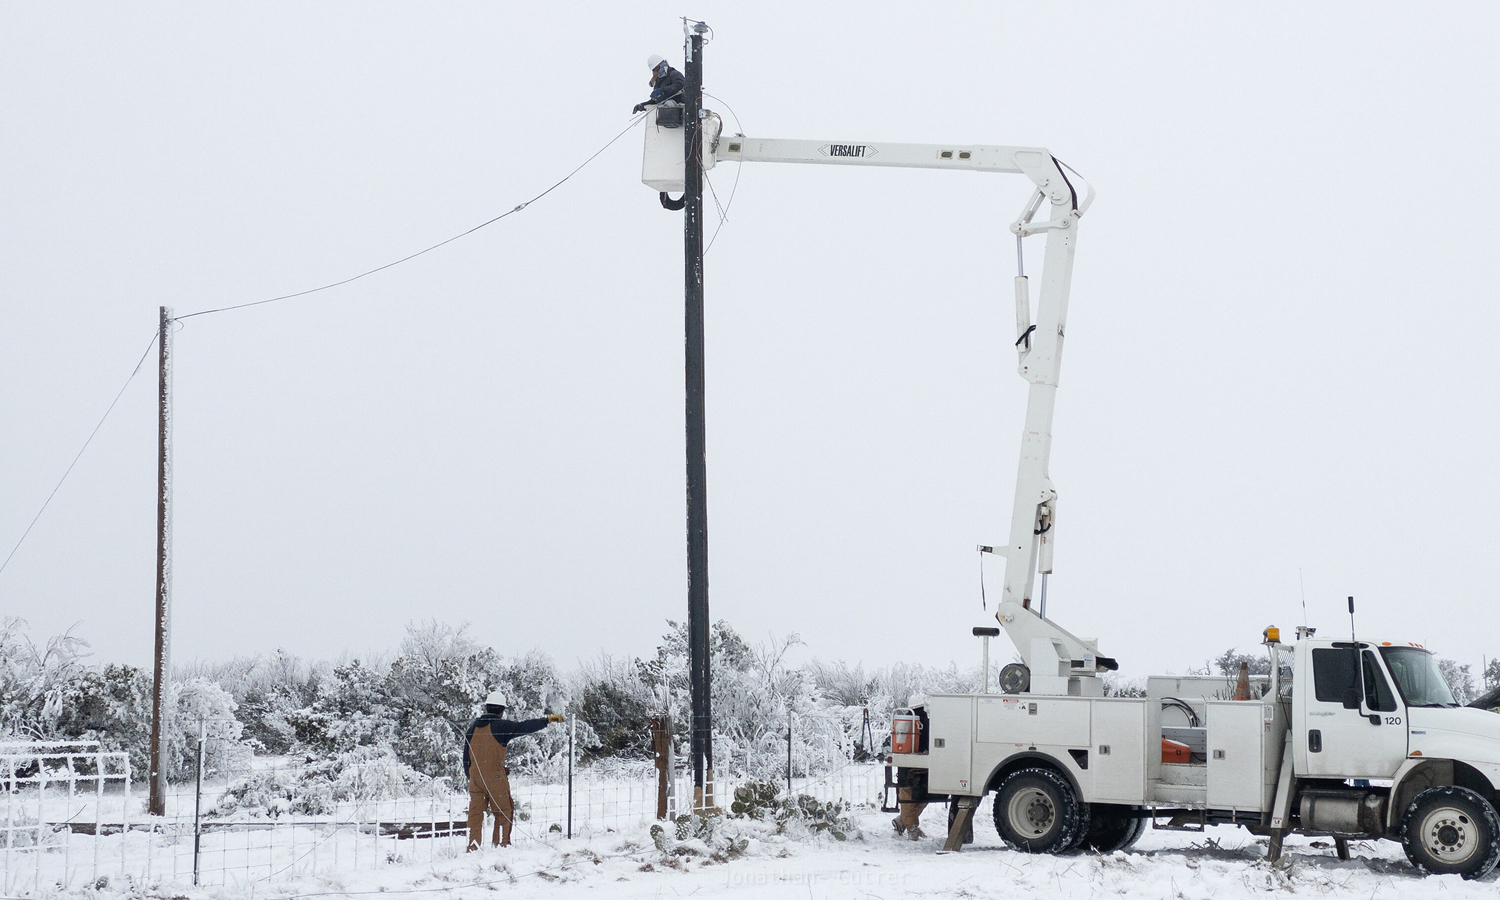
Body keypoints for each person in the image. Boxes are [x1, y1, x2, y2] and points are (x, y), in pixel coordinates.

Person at [464, 690, 563, 851]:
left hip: (475, 778)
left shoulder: (472, 727)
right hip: (495, 777)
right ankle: (502, 845)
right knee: (504, 810)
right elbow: (524, 727)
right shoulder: (501, 726)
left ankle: (473, 847)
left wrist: (472, 775)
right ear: (502, 711)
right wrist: (547, 719)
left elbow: (466, 756)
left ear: (487, 708)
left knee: (475, 814)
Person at [892, 693, 931, 839]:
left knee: (906, 796)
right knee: (924, 795)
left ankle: (905, 822)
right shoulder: (925, 721)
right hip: (924, 761)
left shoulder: (903, 721)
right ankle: (911, 827)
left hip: (905, 763)